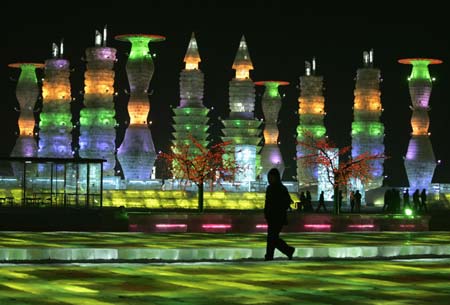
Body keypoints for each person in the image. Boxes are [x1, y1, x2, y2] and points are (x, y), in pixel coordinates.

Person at [264, 168, 295, 261]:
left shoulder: (277, 188)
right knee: (272, 237)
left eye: (270, 177)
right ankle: (287, 250)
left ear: (275, 177)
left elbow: (285, 202)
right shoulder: (277, 188)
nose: (269, 179)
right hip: (274, 216)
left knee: (272, 237)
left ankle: (285, 251)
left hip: (277, 216)